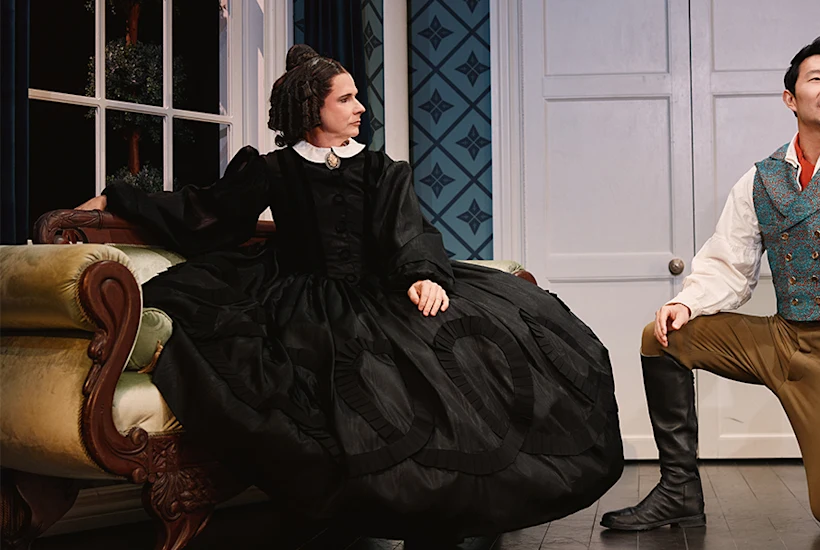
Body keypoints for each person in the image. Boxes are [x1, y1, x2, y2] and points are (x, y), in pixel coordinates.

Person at [77, 44, 623, 543]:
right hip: (300, 298)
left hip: (379, 289)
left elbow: (409, 231)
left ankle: (448, 516)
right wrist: (118, 198)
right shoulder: (273, 168)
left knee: (471, 347)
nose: (360, 107)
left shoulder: (382, 169)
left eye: (358, 96)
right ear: (313, 108)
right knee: (341, 378)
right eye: (347, 98)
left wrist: (421, 275)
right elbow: (207, 214)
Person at [599, 36, 820, 532]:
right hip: (781, 337)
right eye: (816, 79)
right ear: (791, 98)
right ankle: (679, 490)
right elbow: (730, 262)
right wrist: (687, 303)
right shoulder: (761, 178)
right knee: (661, 336)